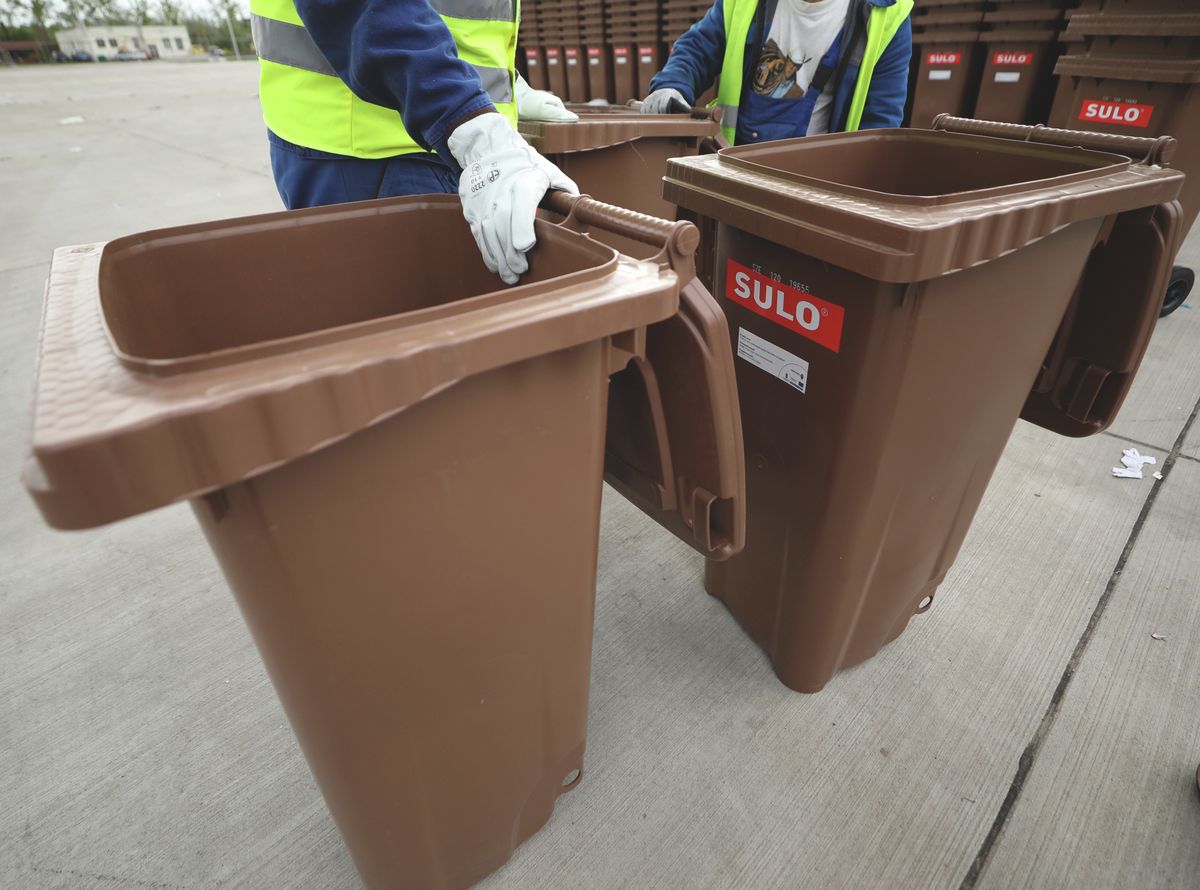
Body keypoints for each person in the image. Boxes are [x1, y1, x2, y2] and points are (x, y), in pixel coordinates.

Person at [249, 0, 579, 284]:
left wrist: (507, 84)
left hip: (443, 133)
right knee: (399, 341)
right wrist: (465, 116)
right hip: (373, 152)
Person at [642, 0, 913, 145]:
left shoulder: (887, 15)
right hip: (730, 167)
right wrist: (672, 85)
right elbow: (699, 47)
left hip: (816, 187)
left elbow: (880, 121)